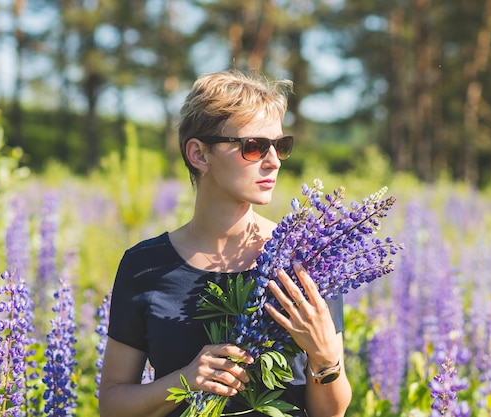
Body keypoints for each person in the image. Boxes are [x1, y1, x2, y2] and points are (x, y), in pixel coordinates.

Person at [99, 69, 352, 417]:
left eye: (281, 145)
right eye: (254, 146)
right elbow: (112, 404)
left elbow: (332, 413)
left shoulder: (306, 259)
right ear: (199, 155)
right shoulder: (144, 265)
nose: (274, 160)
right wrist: (186, 380)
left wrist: (325, 358)